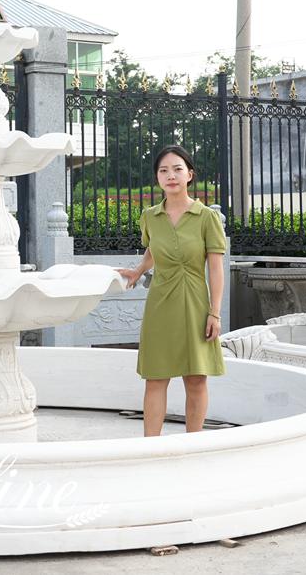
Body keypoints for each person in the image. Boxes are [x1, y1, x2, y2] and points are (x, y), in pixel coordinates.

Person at [117, 145, 226, 437]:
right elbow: (154, 247)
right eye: (163, 171)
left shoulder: (206, 217)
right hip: (160, 304)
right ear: (157, 178)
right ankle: (151, 448)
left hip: (195, 303)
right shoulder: (150, 217)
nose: (171, 175)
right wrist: (139, 269)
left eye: (177, 169)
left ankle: (193, 445)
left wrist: (215, 312)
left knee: (195, 380)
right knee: (155, 379)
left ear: (190, 175)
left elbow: (215, 269)